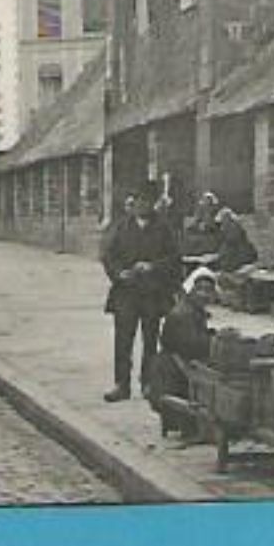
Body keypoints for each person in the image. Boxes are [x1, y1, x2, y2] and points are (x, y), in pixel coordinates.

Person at [100, 181, 182, 402]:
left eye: (146, 201)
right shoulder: (122, 227)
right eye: (137, 201)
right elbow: (108, 256)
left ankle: (147, 383)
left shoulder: (163, 228)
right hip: (126, 292)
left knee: (150, 340)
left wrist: (153, 266)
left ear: (153, 204)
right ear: (132, 203)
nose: (142, 205)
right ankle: (121, 385)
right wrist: (119, 274)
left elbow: (174, 258)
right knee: (123, 340)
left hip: (153, 293)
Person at [150, 268, 218, 438]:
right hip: (173, 371)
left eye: (208, 291)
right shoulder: (183, 314)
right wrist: (214, 342)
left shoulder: (192, 310)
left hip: (178, 363)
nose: (204, 295)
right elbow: (190, 347)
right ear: (191, 290)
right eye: (200, 289)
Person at [213, 207, 259, 273]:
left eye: (222, 221)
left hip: (239, 257)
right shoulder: (228, 228)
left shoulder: (234, 227)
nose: (221, 226)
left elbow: (232, 241)